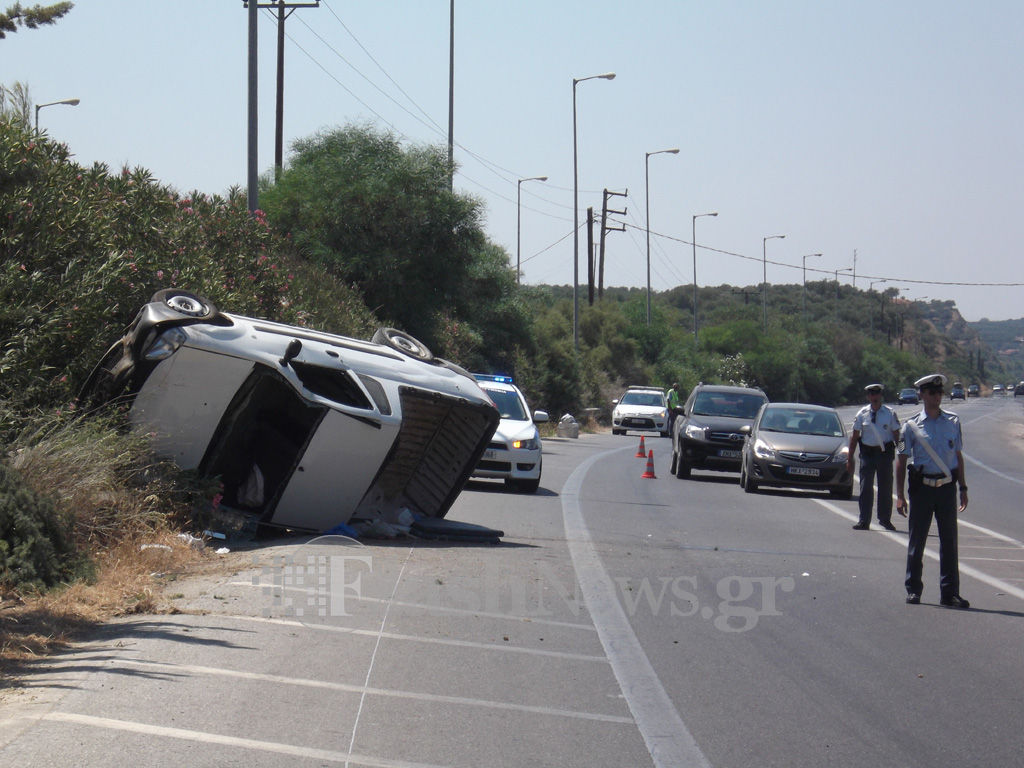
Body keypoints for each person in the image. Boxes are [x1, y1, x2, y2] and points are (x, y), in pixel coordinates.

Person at [896, 373, 970, 608]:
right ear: (922, 395)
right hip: (922, 489)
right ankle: (913, 589)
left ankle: (949, 592)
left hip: (947, 488)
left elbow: (957, 455)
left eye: (940, 392)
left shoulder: (953, 422)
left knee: (949, 541)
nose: (938, 396)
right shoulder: (909, 426)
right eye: (932, 392)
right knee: (917, 541)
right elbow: (901, 459)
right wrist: (900, 494)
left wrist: (963, 487)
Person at [847, 383, 900, 531]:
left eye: (877, 394)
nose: (875, 397)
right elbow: (854, 437)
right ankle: (864, 520)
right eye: (872, 394)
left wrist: (902, 454)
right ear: (868, 397)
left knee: (885, 488)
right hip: (868, 455)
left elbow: (897, 436)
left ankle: (885, 520)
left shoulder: (890, 413)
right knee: (865, 488)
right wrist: (849, 458)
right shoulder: (861, 414)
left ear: (881, 396)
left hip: (884, 454)